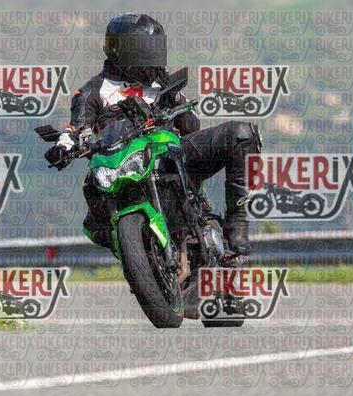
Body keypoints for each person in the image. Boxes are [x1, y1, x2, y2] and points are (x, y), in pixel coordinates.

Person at [45, 13, 262, 259]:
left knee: (241, 134)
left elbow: (192, 127)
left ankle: (237, 223)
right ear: (123, 52)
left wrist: (175, 98)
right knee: (93, 189)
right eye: (147, 52)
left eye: (156, 51)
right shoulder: (92, 92)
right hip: (122, 167)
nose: (154, 59)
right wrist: (64, 146)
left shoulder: (162, 83)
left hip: (172, 158)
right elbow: (76, 128)